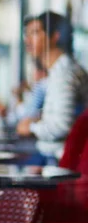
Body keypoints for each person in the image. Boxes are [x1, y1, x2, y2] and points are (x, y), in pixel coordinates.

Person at [16, 11, 88, 157]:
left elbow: (62, 126)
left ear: (55, 36)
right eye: (27, 34)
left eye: (35, 33)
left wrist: (31, 127)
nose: (28, 40)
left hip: (62, 163)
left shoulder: (64, 73)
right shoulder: (59, 70)